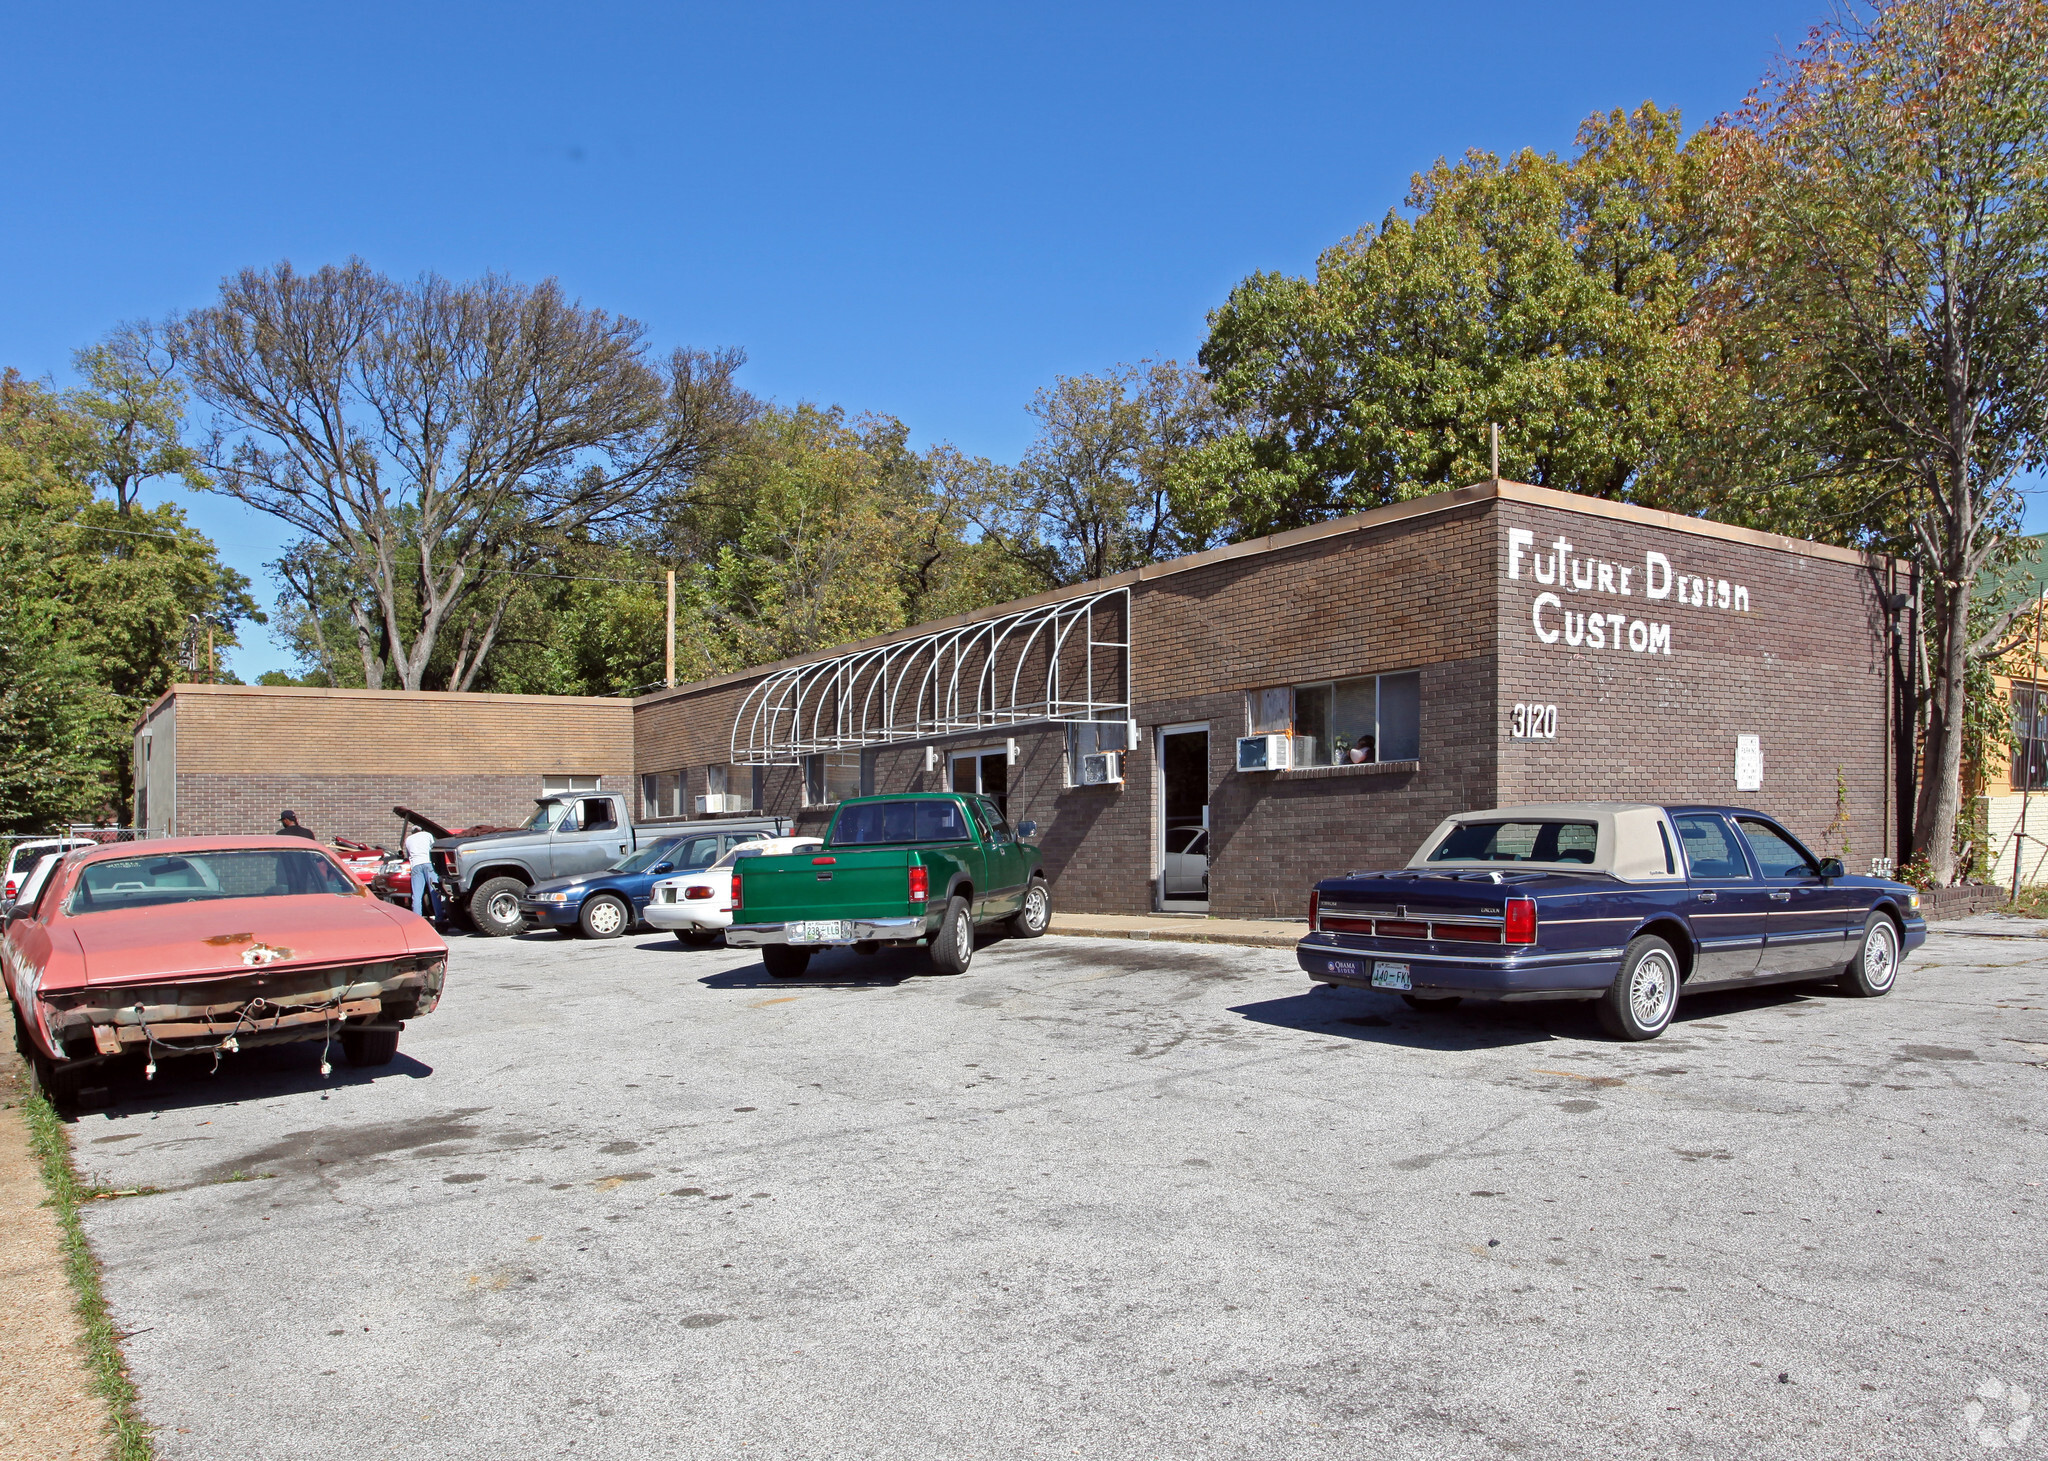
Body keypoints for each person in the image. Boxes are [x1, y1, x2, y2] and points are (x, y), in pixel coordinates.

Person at [404, 823, 443, 928]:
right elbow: (433, 848)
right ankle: (439, 919)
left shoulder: (408, 839)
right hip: (428, 863)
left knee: (417, 895)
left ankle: (417, 921)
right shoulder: (427, 835)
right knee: (434, 892)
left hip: (416, 865)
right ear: (421, 829)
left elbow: (408, 855)